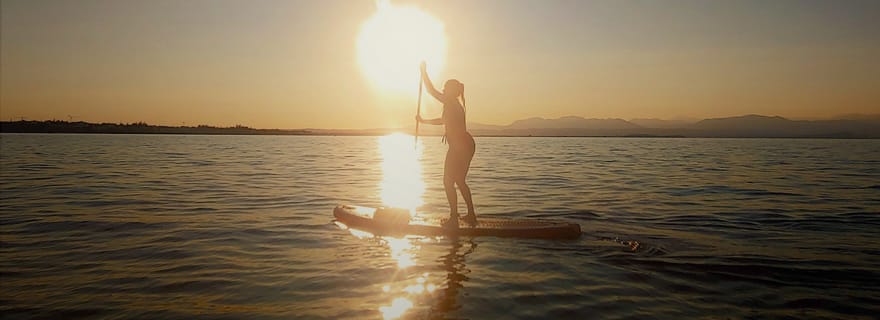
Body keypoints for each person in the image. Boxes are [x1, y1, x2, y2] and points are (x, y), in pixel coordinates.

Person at [416, 62, 476, 228]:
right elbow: (443, 121)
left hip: (460, 145)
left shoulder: (451, 102)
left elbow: (430, 90)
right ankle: (470, 215)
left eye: (445, 87)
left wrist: (424, 72)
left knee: (448, 181)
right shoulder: (452, 104)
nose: (442, 90)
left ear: (452, 91)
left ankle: (454, 218)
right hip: (464, 144)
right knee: (458, 180)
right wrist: (424, 121)